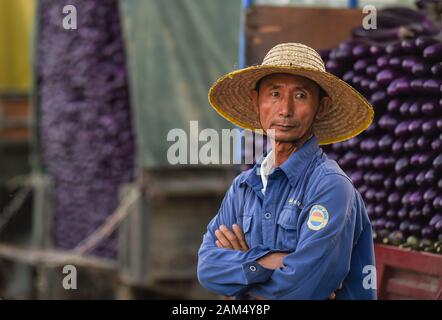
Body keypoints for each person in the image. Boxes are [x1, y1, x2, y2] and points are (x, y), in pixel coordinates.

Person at [197, 43, 376, 300]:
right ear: (256, 101)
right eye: (274, 94)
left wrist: (242, 280)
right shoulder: (243, 187)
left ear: (321, 107)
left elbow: (302, 289)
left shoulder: (331, 186)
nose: (285, 110)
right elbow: (207, 268)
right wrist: (271, 260)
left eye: (301, 95)